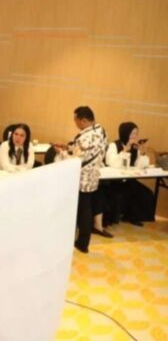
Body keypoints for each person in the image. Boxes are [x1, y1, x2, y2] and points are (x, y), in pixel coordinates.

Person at [55, 106, 110, 253]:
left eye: (76, 120)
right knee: (86, 207)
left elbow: (76, 160)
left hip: (80, 177)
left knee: (81, 211)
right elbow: (89, 152)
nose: (75, 123)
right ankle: (82, 242)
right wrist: (69, 147)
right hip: (93, 176)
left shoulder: (85, 137)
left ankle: (81, 243)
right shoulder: (102, 131)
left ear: (84, 120)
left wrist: (61, 152)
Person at [103, 122, 154, 226]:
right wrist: (125, 151)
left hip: (129, 179)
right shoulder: (114, 145)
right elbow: (111, 163)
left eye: (136, 134)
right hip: (115, 181)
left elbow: (139, 165)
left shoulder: (135, 147)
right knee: (125, 192)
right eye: (133, 134)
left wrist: (142, 153)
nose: (135, 136)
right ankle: (115, 217)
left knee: (146, 193)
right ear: (125, 133)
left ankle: (133, 217)